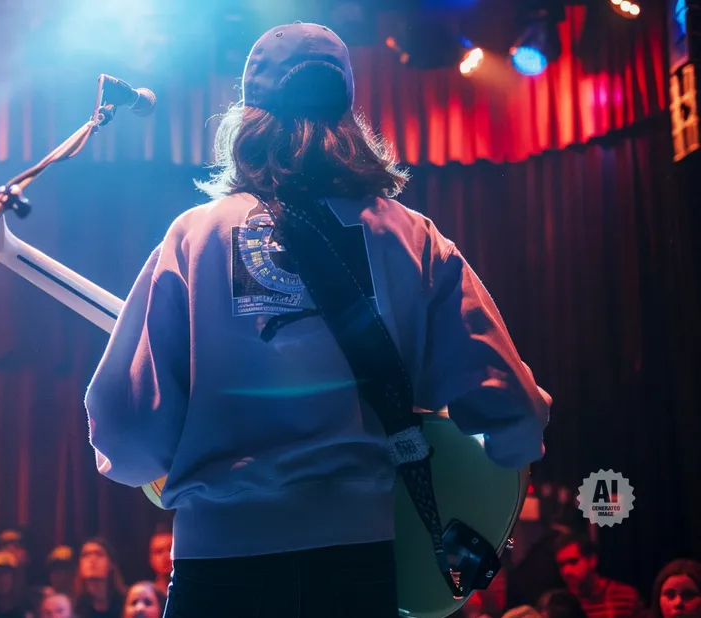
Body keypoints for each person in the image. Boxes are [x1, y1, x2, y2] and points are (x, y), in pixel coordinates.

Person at [84, 21, 551, 618]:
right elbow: (514, 413)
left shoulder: (194, 237)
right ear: (347, 116)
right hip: (358, 567)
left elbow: (125, 438)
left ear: (247, 117)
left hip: (218, 567)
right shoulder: (412, 239)